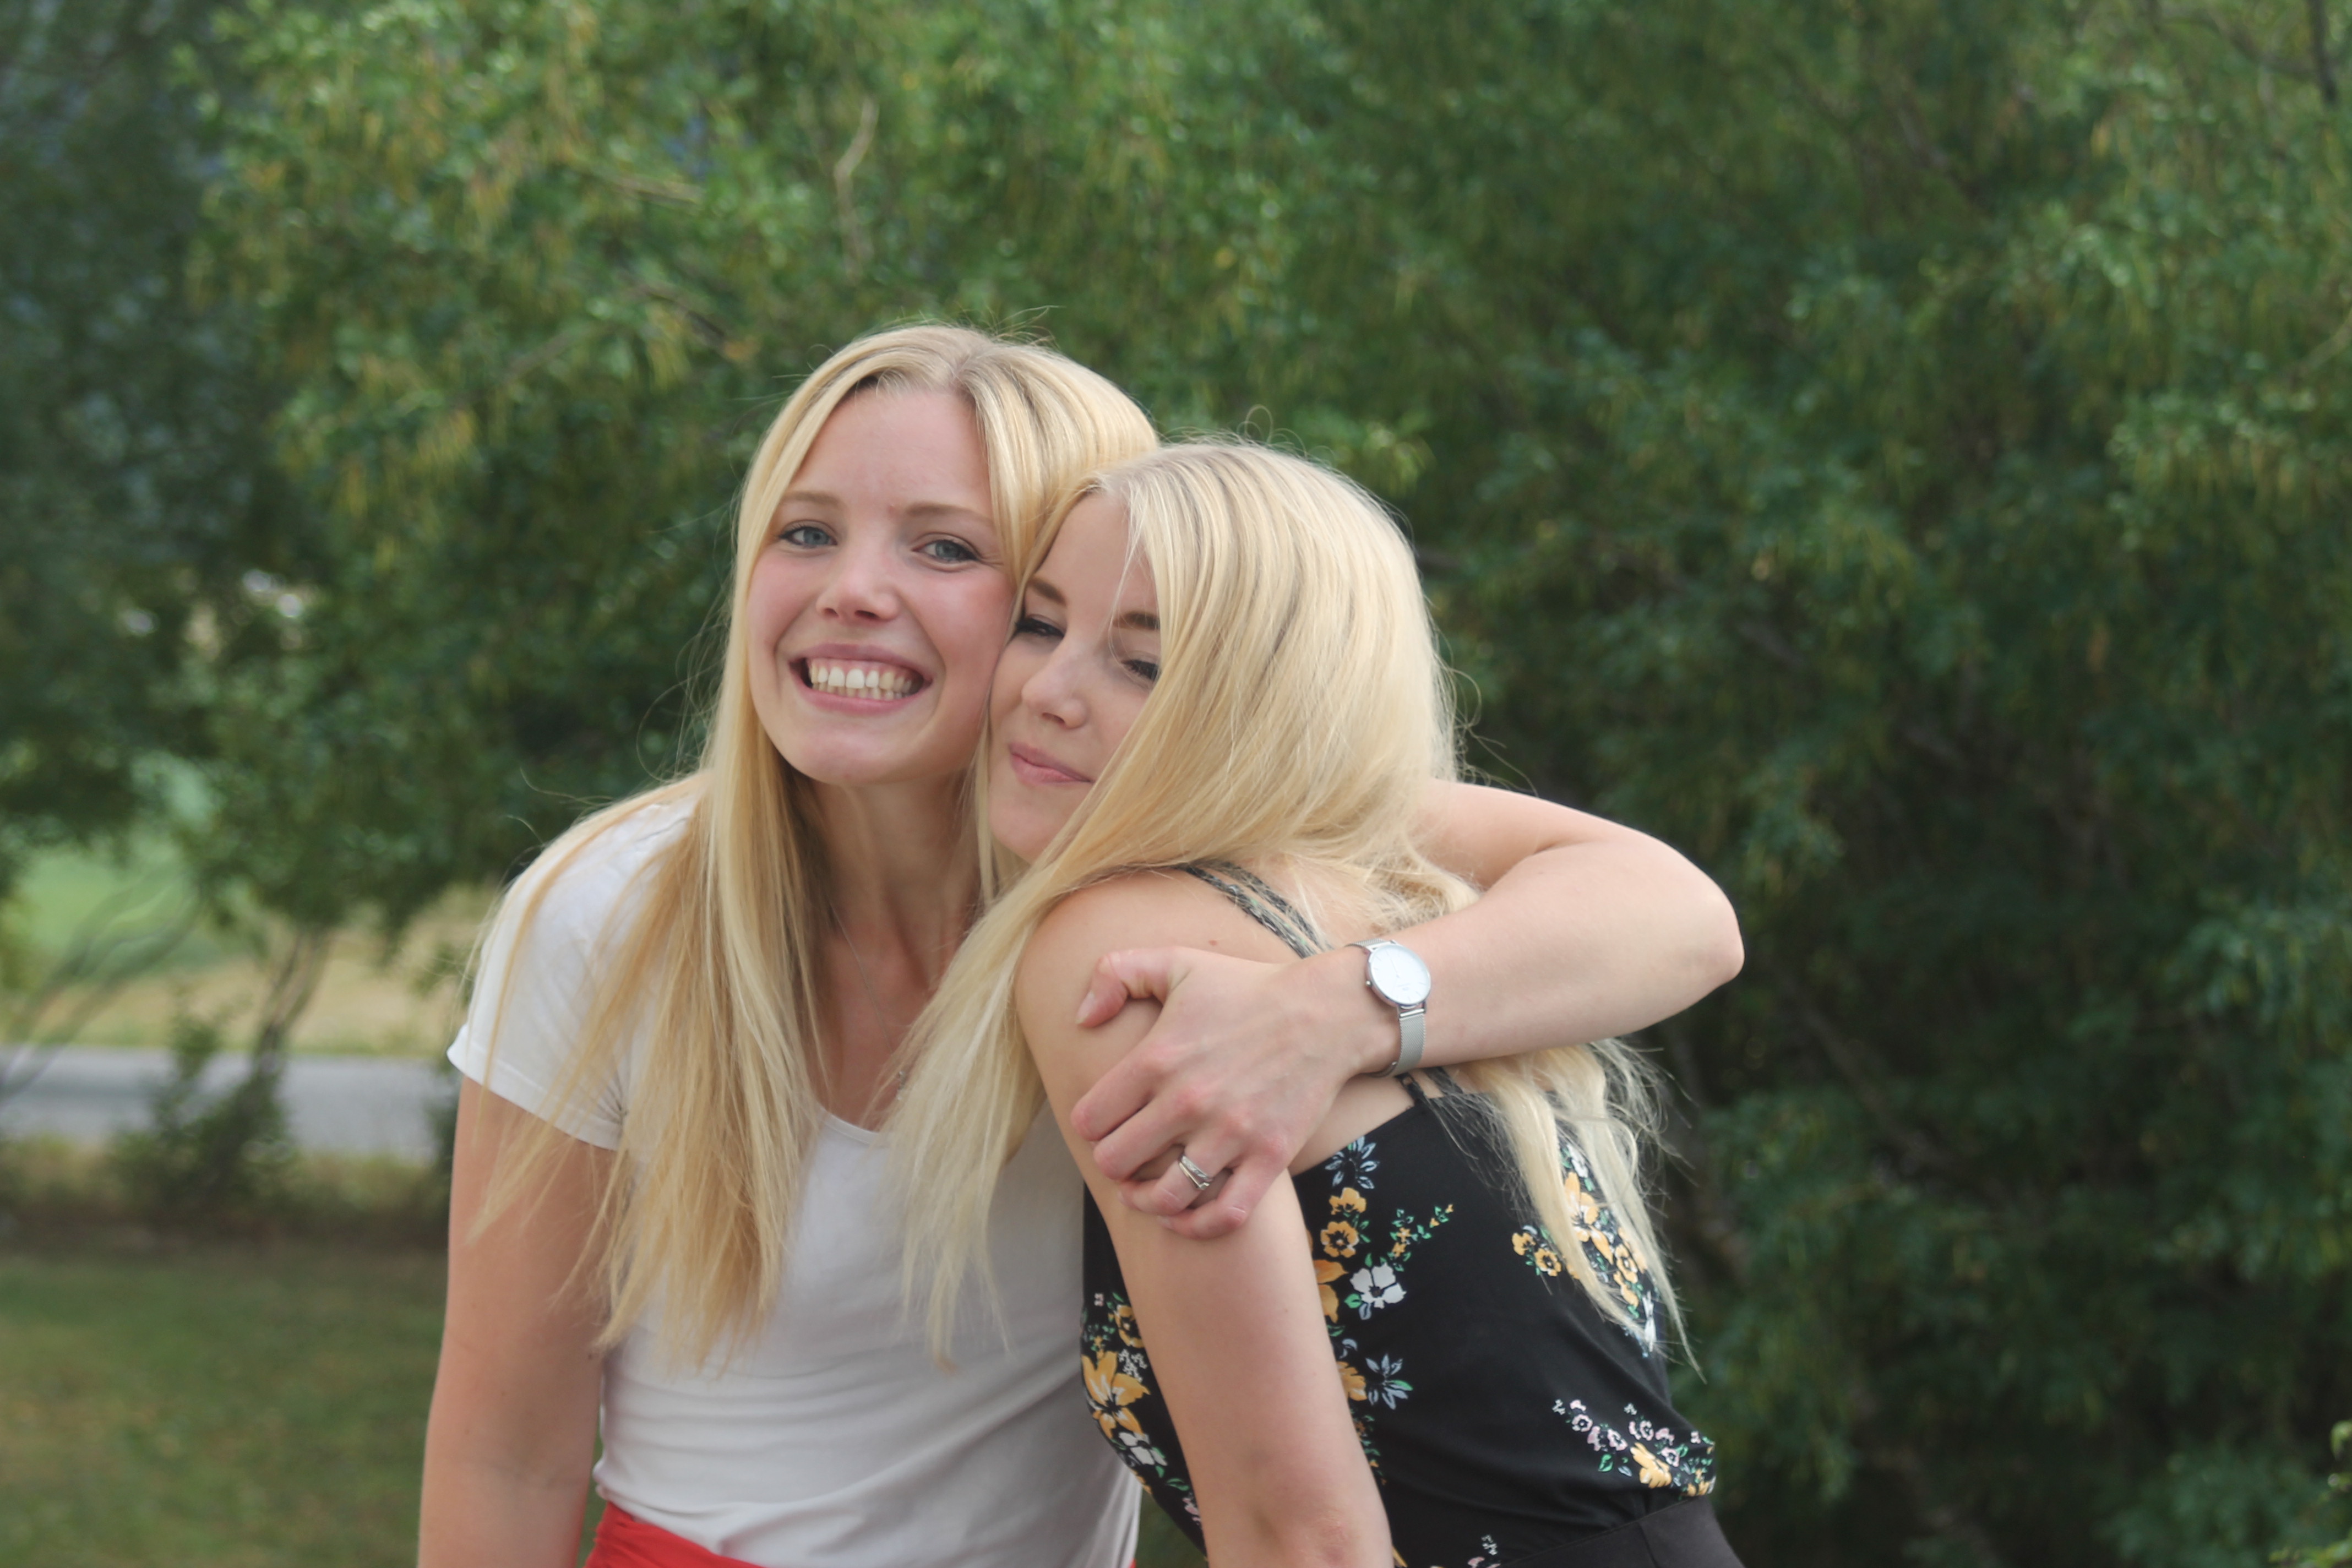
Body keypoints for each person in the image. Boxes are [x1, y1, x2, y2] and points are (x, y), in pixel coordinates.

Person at [421, 326, 1742, 1568]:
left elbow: (1673, 908)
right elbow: (504, 1448)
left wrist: (1336, 1010)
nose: (852, 590)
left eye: (946, 548)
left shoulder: (1166, 873)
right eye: (804, 530)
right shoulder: (612, 907)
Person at [894, 442, 1744, 1568]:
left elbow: (1302, 1535)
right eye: (1041, 625)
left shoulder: (1120, 946)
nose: (1044, 692)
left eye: (1142, 662)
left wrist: (1340, 1008)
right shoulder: (1349, 884)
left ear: (1267, 707)